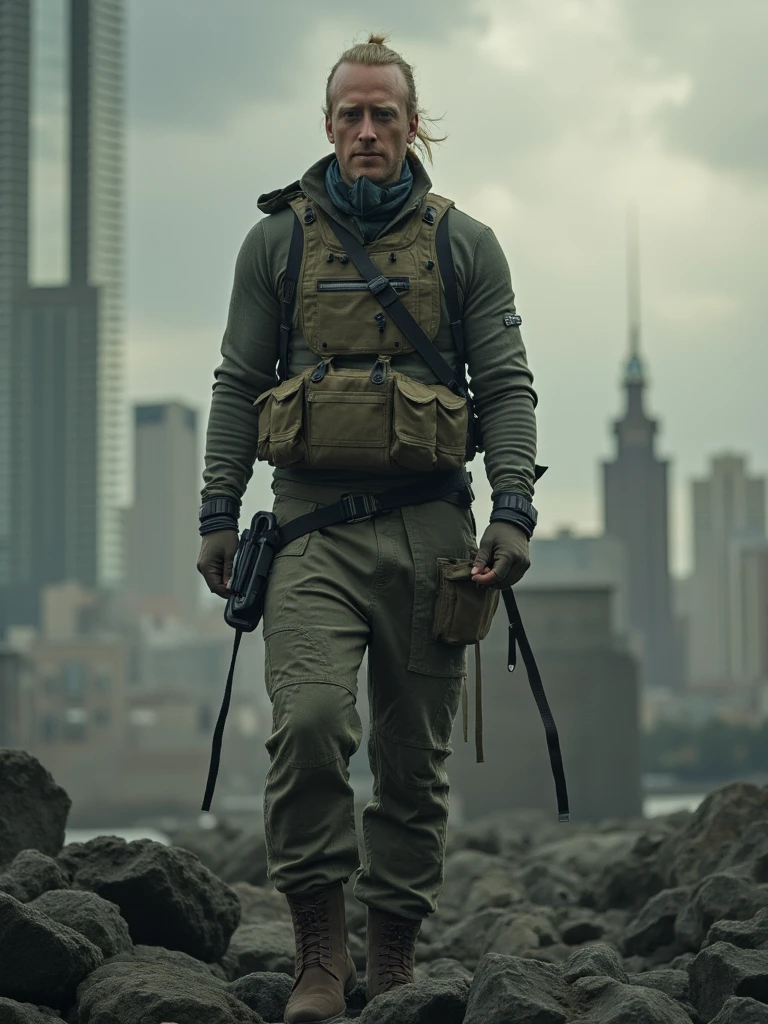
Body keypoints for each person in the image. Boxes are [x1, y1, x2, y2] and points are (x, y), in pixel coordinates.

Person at [197, 33, 540, 1024]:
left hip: (435, 532)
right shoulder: (276, 244)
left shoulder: (465, 245)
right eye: (350, 113)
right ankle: (319, 956)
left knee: (412, 761)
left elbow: (506, 387)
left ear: (413, 124)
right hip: (309, 528)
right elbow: (237, 384)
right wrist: (219, 511)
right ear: (327, 124)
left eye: (384, 113)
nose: (366, 130)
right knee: (308, 725)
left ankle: (391, 958)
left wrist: (512, 510)